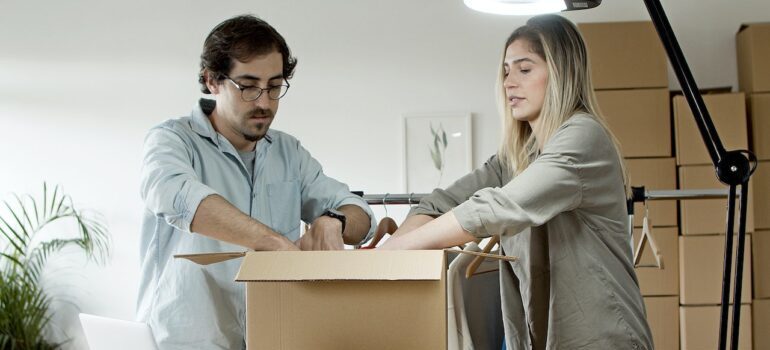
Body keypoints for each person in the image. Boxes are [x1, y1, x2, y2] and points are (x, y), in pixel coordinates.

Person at [379, 14, 654, 350]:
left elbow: (499, 208)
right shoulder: (518, 156)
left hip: (604, 338)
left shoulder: (584, 138)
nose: (509, 82)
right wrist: (388, 260)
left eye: (525, 69)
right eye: (507, 71)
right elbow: (436, 204)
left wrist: (395, 249)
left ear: (561, 73)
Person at [136, 15, 376, 349]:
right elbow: (174, 194)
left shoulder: (289, 153)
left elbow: (360, 213)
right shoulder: (172, 141)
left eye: (274, 87)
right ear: (212, 80)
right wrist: (271, 242)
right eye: (248, 86)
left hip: (274, 339)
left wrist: (334, 220)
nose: (264, 102)